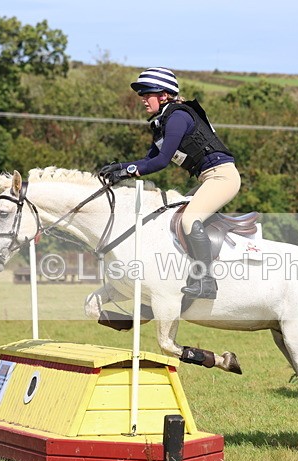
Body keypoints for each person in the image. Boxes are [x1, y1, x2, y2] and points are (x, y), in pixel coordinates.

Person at [99, 67, 241, 300]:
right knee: (172, 217)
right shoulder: (164, 121)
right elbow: (148, 160)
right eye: (142, 95)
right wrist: (120, 167)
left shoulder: (177, 117)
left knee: (189, 219)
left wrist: (126, 171)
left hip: (222, 177)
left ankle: (206, 281)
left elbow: (161, 162)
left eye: (147, 94)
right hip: (209, 177)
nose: (143, 99)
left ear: (164, 95)